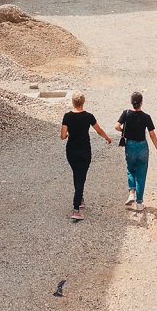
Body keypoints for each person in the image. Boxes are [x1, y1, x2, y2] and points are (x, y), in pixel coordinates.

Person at [61, 92, 113, 220]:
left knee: (76, 174)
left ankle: (81, 198)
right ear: (83, 102)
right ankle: (76, 208)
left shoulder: (67, 116)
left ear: (73, 102)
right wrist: (107, 138)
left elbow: (63, 136)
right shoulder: (89, 116)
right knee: (81, 177)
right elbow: (98, 130)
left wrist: (68, 135)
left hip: (71, 150)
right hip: (84, 150)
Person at [115, 92, 157, 212]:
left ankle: (131, 192)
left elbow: (116, 126)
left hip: (130, 145)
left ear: (132, 102)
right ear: (141, 102)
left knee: (131, 169)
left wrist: (124, 131)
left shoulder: (125, 114)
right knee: (141, 174)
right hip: (142, 146)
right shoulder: (146, 117)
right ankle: (139, 203)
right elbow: (152, 134)